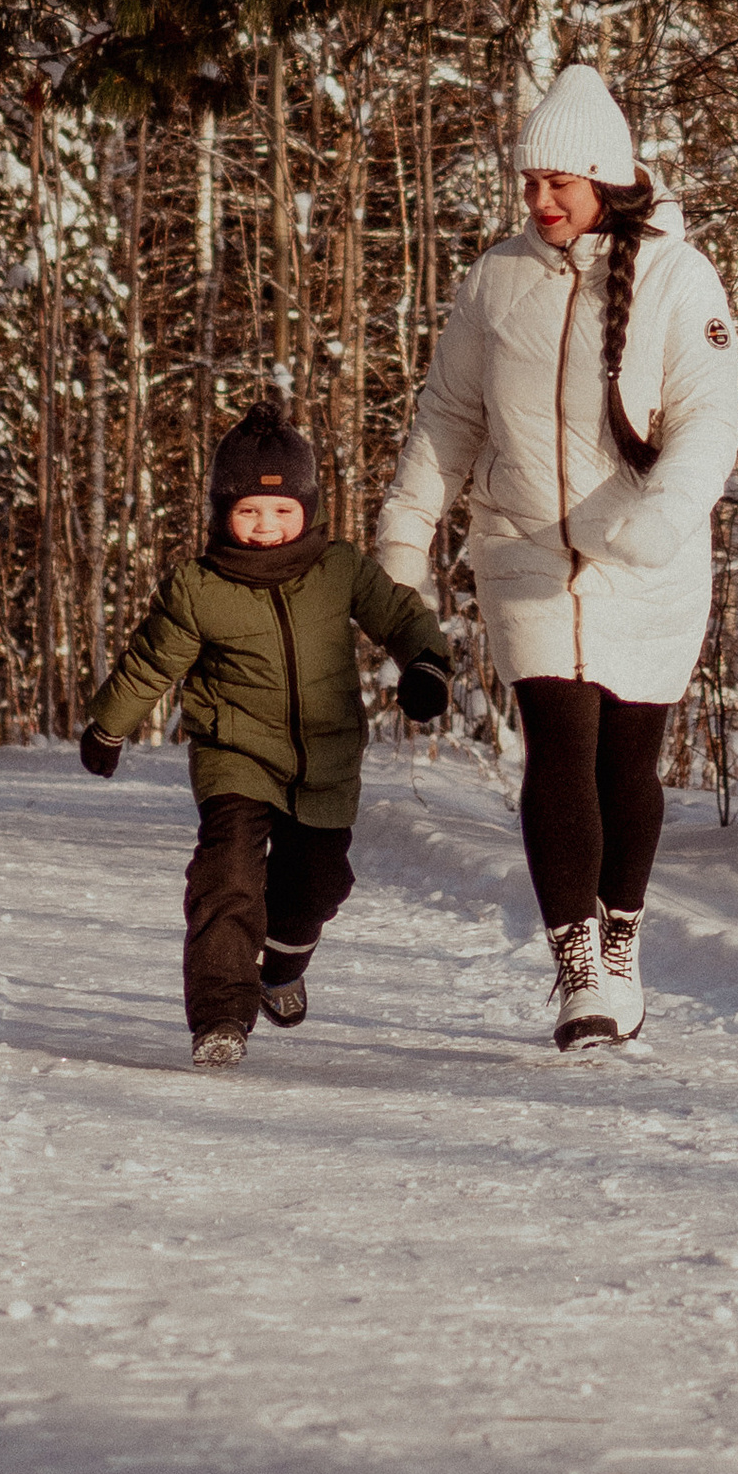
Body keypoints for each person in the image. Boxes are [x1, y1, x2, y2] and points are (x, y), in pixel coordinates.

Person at [373, 64, 738, 1050]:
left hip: (644, 556)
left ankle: (622, 936)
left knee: (629, 765)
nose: (538, 201)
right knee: (557, 745)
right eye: (528, 183)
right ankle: (576, 962)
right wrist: (406, 532)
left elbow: (709, 415)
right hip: (523, 547)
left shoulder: (677, 275)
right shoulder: (495, 276)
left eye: (557, 185)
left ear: (605, 180)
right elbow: (448, 416)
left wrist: (668, 510)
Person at [82, 402, 450, 1069]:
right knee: (228, 874)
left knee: (318, 883)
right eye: (249, 511)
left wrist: (426, 662)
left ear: (307, 509)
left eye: (282, 511)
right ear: (224, 512)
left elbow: (399, 614)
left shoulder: (339, 569)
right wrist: (109, 725)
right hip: (236, 756)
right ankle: (222, 1011)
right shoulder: (198, 587)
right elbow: (150, 661)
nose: (266, 527)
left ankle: (281, 965)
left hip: (326, 757)